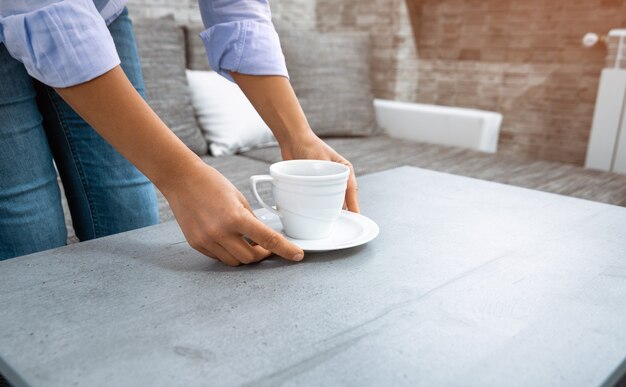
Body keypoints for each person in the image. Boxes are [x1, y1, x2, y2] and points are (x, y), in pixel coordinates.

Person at [0, 0, 359, 265]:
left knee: (131, 213)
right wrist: (182, 177)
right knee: (29, 228)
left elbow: (236, 7)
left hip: (97, 11)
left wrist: (297, 135)